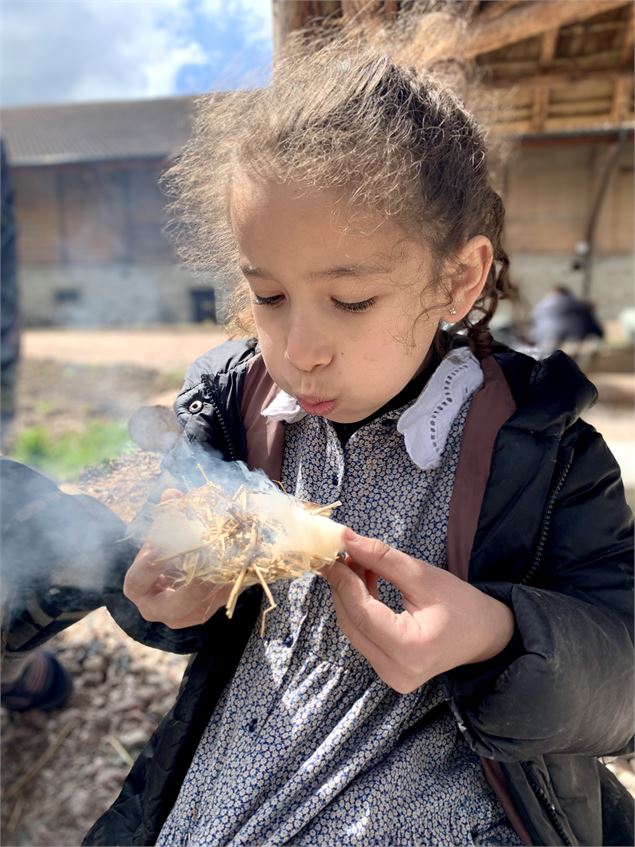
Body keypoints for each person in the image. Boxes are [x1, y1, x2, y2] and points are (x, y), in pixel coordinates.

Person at [3, 45, 633, 847]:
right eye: (267, 296)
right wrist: (158, 591)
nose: (299, 350)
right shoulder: (233, 412)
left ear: (459, 278)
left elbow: (622, 677)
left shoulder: (543, 455)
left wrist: (496, 637)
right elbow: (168, 590)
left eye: (350, 299)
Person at [532, 285, 604, 362]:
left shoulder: (538, 308)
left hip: (544, 344)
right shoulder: (581, 306)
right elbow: (597, 331)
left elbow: (533, 331)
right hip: (572, 345)